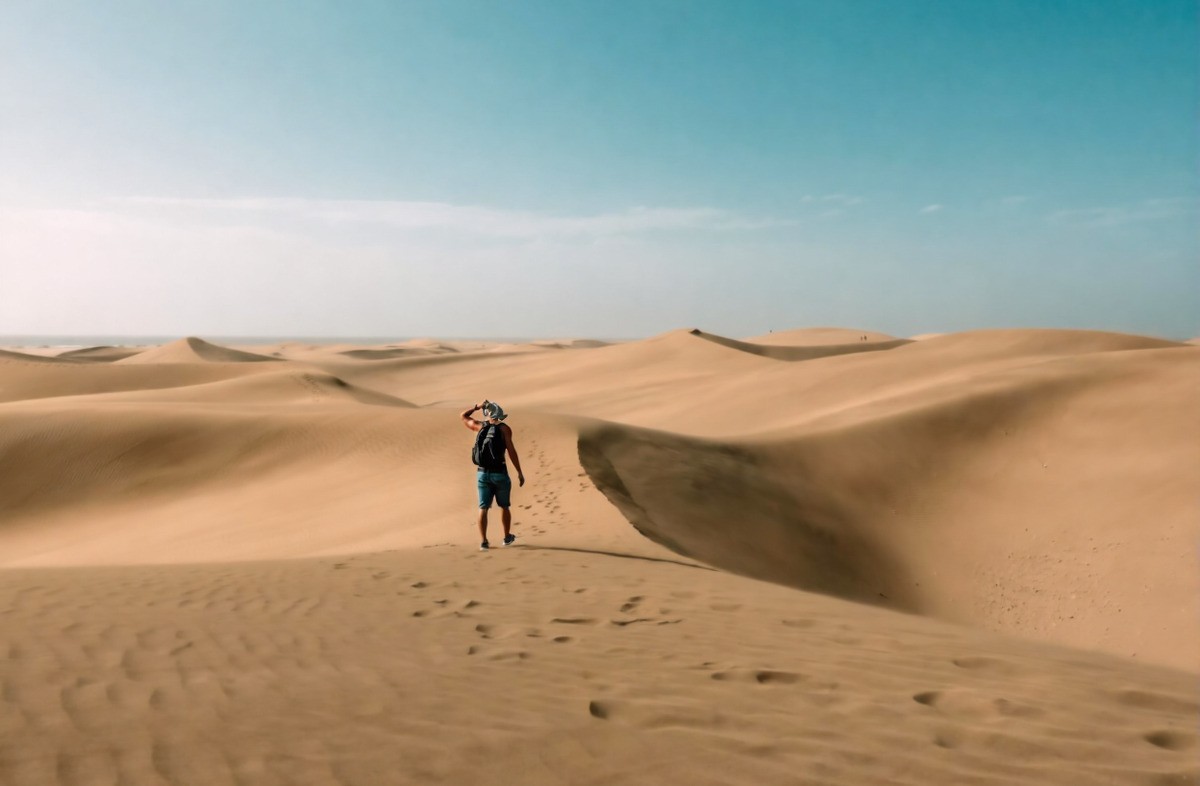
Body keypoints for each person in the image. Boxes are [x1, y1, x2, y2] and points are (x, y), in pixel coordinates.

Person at [461, 400, 525, 551]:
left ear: (487, 414)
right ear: (500, 415)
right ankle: (507, 537)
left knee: (483, 508)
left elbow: (463, 416)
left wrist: (477, 407)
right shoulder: (504, 429)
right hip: (500, 473)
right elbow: (511, 451)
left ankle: (484, 542)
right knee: (504, 506)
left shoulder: (479, 426)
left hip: (482, 474)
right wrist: (519, 472)